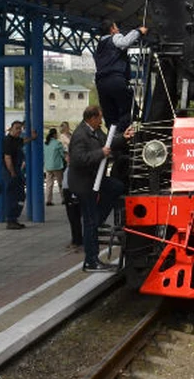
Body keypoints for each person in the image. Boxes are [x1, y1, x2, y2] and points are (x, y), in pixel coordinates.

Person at [69, 106, 115, 272]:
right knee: (89, 222)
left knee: (116, 187)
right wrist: (101, 153)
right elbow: (79, 159)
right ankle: (91, 260)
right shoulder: (81, 135)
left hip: (95, 180)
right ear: (92, 118)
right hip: (84, 184)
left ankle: (99, 218)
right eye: (100, 118)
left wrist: (123, 138)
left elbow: (109, 142)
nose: (101, 121)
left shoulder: (96, 131)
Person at [93, 19, 147, 131]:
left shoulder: (99, 46)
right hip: (115, 80)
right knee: (129, 109)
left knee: (111, 116)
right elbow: (124, 42)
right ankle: (123, 135)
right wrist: (138, 31)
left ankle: (112, 140)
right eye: (116, 27)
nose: (118, 30)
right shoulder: (114, 37)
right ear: (112, 29)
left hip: (101, 84)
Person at [3, 121, 36, 229]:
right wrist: (12, 172)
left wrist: (32, 138)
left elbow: (23, 141)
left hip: (16, 171)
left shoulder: (16, 140)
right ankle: (11, 219)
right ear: (11, 129)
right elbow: (7, 158)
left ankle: (14, 218)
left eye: (20, 128)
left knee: (20, 195)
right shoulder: (8, 141)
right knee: (13, 196)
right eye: (17, 128)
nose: (19, 130)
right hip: (11, 172)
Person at [44, 128, 66, 206]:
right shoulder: (58, 143)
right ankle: (63, 199)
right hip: (57, 166)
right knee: (60, 183)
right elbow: (62, 155)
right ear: (54, 134)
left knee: (49, 184)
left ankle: (48, 200)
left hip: (48, 166)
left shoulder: (45, 143)